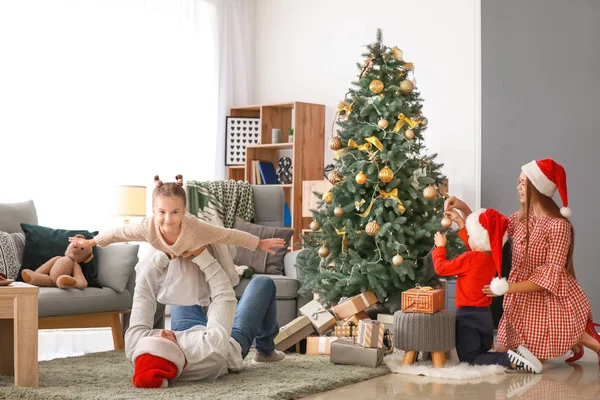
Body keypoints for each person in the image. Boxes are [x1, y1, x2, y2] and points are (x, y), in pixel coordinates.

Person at [445, 158, 600, 362]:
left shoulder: (558, 226)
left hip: (549, 297)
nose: (518, 187)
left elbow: (550, 276)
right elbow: (488, 235)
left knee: (561, 332)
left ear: (538, 187)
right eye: (518, 182)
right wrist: (464, 211)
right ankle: (575, 339)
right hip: (519, 296)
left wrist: (507, 288)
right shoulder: (520, 218)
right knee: (504, 352)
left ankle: (589, 340)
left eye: (523, 183)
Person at [69, 174, 286, 305]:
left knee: (197, 282)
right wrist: (91, 243)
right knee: (148, 276)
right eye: (161, 212)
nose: (167, 218)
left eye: (175, 212)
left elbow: (227, 234)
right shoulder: (148, 226)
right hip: (165, 252)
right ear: (153, 211)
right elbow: (119, 233)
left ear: (184, 211)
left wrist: (259, 243)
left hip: (197, 251)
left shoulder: (195, 228)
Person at [126, 247, 284, 388]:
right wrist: (202, 255)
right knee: (263, 283)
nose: (162, 332)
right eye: (166, 341)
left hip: (186, 329)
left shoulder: (136, 345)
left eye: (154, 338)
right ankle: (265, 352)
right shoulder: (210, 353)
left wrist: (164, 254)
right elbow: (223, 296)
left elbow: (142, 294)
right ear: (178, 355)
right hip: (229, 342)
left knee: (181, 280)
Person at [433, 208, 542, 373]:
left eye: (470, 234)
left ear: (477, 239)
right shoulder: (489, 259)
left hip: (468, 318)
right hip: (485, 317)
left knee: (469, 359)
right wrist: (460, 221)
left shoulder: (469, 259)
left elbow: (441, 268)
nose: (468, 237)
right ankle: (511, 356)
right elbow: (473, 247)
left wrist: (440, 247)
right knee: (481, 354)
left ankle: (510, 358)